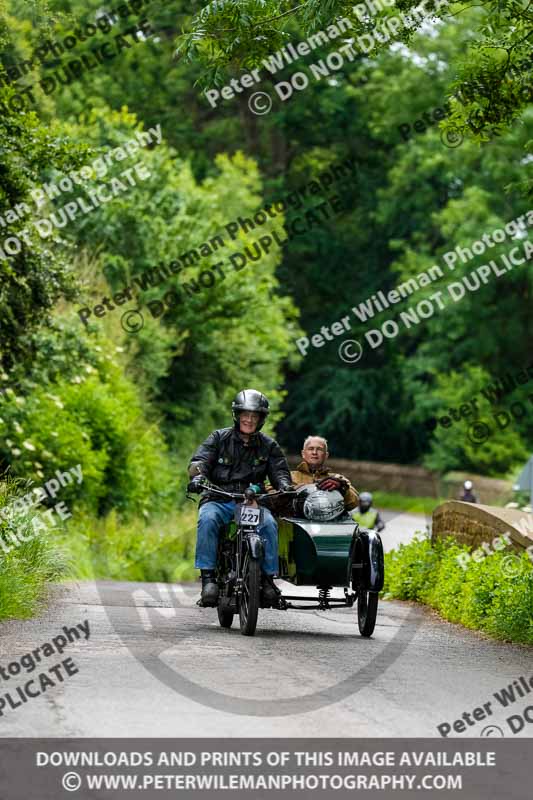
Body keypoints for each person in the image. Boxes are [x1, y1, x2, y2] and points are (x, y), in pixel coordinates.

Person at [187, 388, 292, 606]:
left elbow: (280, 472)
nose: (249, 420)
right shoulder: (218, 438)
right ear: (237, 415)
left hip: (251, 502)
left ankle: (267, 580)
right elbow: (200, 461)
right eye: (245, 414)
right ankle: (208, 580)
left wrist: (284, 486)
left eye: (255, 416)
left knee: (270, 524)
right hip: (219, 498)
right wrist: (197, 477)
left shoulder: (269, 445)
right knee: (207, 520)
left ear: (261, 419)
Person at [290, 435, 358, 511]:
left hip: (329, 522)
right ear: (303, 453)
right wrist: (289, 493)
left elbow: (354, 503)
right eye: (310, 449)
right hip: (295, 521)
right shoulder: (287, 477)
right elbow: (274, 500)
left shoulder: (338, 478)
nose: (314, 452)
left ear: (326, 455)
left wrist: (342, 489)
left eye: (319, 449)